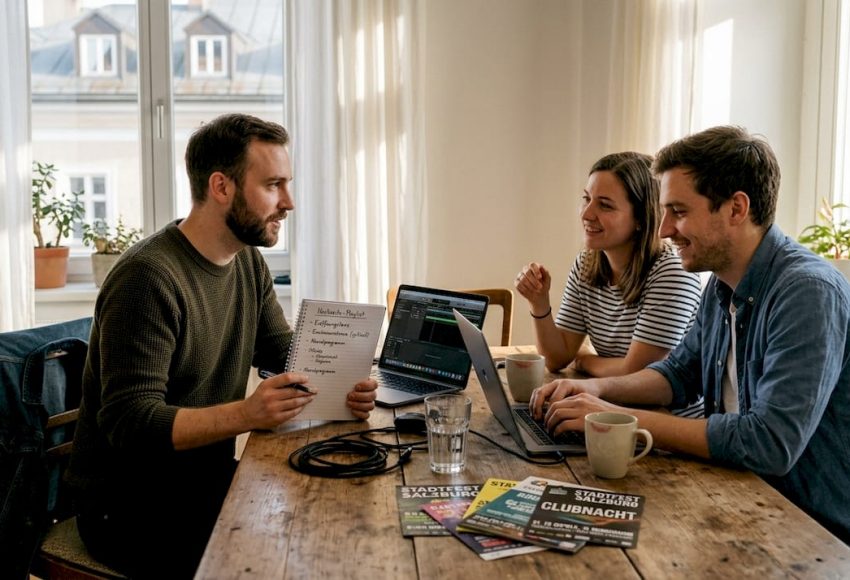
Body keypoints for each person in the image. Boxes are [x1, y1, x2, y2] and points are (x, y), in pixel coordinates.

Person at [66, 113, 378, 578]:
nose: (288, 202)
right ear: (222, 187)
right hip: (132, 510)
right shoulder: (147, 279)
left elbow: (281, 351)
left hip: (202, 485)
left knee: (335, 519)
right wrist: (248, 414)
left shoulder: (246, 261)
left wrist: (342, 381)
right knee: (294, 556)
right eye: (273, 185)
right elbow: (130, 422)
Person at [531, 126, 850, 544]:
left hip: (807, 530)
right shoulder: (720, 284)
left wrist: (616, 418)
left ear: (736, 208)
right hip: (737, 497)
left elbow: (769, 443)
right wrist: (594, 390)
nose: (663, 230)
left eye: (678, 212)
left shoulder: (807, 292)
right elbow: (677, 374)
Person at [515, 152, 703, 416]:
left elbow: (637, 373)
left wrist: (585, 359)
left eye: (605, 205)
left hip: (663, 426)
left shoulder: (671, 271)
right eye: (586, 199)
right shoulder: (587, 264)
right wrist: (539, 302)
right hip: (610, 411)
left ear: (640, 218)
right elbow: (557, 358)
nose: (587, 213)